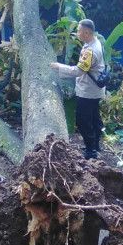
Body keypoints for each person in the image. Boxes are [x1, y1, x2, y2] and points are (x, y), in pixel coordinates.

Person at [50, 19, 105, 159]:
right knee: (94, 118)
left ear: (87, 32)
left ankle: (91, 150)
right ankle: (95, 145)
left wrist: (59, 67)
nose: (77, 33)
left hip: (88, 92)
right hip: (95, 91)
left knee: (83, 121)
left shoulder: (91, 50)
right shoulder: (94, 42)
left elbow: (79, 71)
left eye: (80, 31)